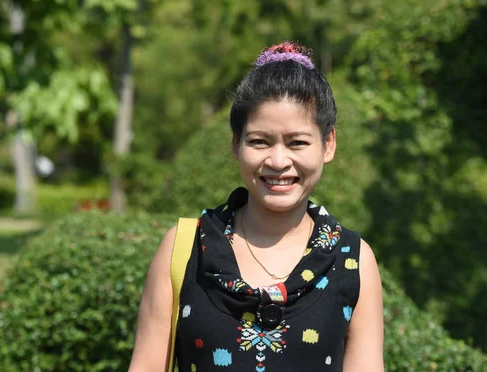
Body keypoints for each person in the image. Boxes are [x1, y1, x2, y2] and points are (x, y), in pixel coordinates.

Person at [128, 41, 384, 371]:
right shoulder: (184, 248)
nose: (278, 161)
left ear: (328, 144)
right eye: (259, 141)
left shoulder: (353, 261)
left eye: (297, 143)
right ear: (236, 144)